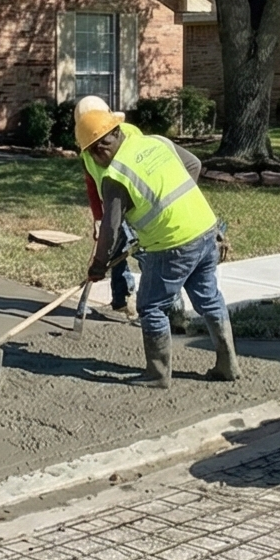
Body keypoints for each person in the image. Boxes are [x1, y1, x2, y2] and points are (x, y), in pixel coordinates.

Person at [76, 105, 233, 388]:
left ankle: (157, 374)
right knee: (209, 299)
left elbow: (110, 230)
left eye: (91, 153)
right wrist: (173, 207)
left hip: (172, 245)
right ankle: (228, 365)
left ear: (101, 147)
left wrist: (98, 266)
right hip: (207, 230)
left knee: (151, 307)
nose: (93, 159)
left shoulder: (116, 176)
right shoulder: (155, 143)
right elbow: (193, 165)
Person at [70, 95, 138, 315]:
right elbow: (92, 184)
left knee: (149, 255)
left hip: (138, 205)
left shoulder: (129, 135)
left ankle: (161, 307)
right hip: (112, 205)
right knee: (114, 248)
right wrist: (99, 218)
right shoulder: (87, 153)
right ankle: (121, 298)